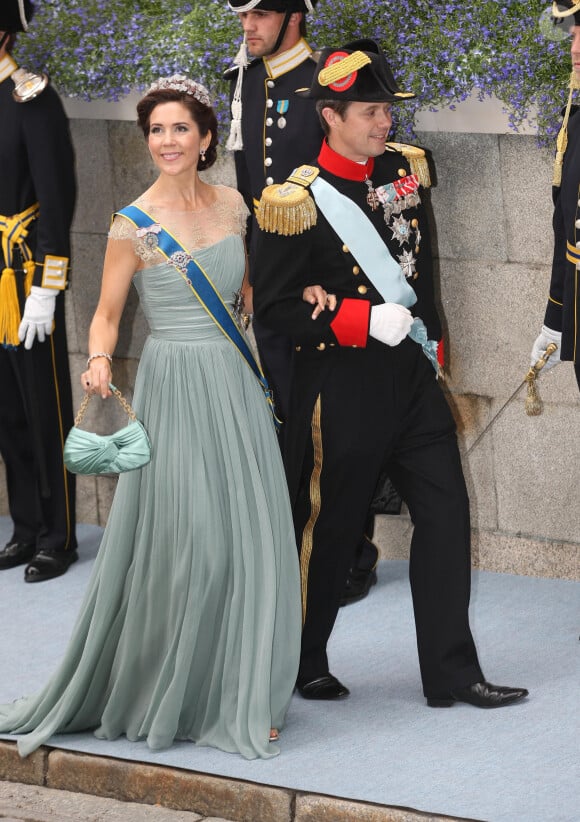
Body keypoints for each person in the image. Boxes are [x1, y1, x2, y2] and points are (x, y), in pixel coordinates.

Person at [0, 76, 303, 760]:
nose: (166, 142)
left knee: (249, 534)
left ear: (204, 139)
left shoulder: (233, 208)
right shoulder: (130, 225)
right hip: (172, 388)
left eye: (179, 130)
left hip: (231, 382)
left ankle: (241, 688)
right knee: (192, 539)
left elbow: (249, 295)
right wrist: (99, 360)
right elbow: (106, 315)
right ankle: (174, 686)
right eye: (156, 131)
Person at [253, 39, 529, 707]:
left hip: (409, 381)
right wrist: (354, 319)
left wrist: (431, 346)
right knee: (329, 530)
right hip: (340, 388)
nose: (386, 124)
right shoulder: (294, 202)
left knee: (446, 514)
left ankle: (453, 674)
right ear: (332, 116)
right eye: (371, 112)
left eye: (386, 111)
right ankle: (300, 658)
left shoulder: (402, 171)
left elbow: (418, 270)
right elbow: (279, 309)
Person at [226, 0, 391, 606]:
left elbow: (356, 181)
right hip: (276, 281)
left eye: (260, 17)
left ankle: (355, 550)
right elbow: (252, 189)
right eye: (244, 18)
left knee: (341, 420)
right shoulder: (246, 77)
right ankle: (300, 540)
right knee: (288, 412)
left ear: (293, 17)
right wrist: (252, 269)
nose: (249, 28)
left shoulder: (322, 81)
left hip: (328, 280)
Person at [0, 0, 77, 582]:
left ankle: (59, 533)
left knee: (43, 406)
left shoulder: (32, 99)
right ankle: (24, 527)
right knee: (5, 411)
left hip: (24, 274)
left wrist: (49, 288)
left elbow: (57, 198)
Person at [531, 0, 580, 390]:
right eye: (574, 35)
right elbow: (565, 234)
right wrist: (555, 318)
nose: (574, 49)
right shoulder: (577, 128)